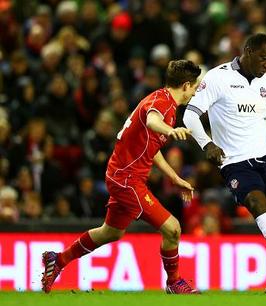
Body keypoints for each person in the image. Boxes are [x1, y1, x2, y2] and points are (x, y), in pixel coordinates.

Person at [41, 60, 202, 294]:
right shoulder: (162, 104)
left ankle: (58, 260)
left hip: (121, 175)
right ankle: (174, 283)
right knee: (173, 229)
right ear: (186, 85)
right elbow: (152, 121)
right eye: (194, 86)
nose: (195, 91)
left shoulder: (161, 99)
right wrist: (170, 130)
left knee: (111, 232)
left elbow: (152, 148)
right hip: (127, 178)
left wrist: (175, 177)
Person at [183, 33, 266, 294]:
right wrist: (206, 144)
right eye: (263, 57)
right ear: (248, 51)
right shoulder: (218, 77)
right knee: (257, 204)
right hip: (235, 161)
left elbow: (258, 123)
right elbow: (190, 115)